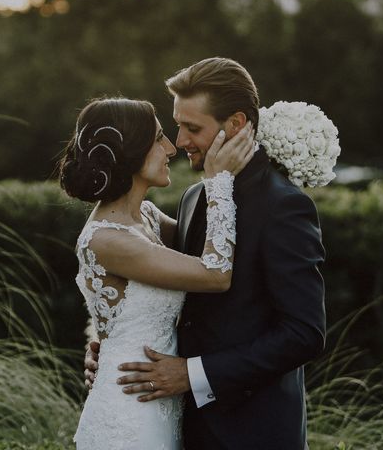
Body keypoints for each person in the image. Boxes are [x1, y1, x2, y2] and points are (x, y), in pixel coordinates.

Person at [85, 58, 327, 449]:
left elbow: (305, 334)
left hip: (253, 434)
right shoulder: (195, 197)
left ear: (235, 125)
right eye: (177, 125)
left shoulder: (284, 206)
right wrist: (110, 348)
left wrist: (193, 375)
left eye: (192, 128)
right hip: (178, 424)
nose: (179, 142)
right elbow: (143, 281)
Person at [60, 97, 255, 449]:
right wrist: (220, 182)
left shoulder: (146, 218)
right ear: (130, 151)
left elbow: (206, 246)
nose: (170, 148)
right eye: (158, 138)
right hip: (129, 409)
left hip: (161, 399)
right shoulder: (108, 240)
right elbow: (215, 273)